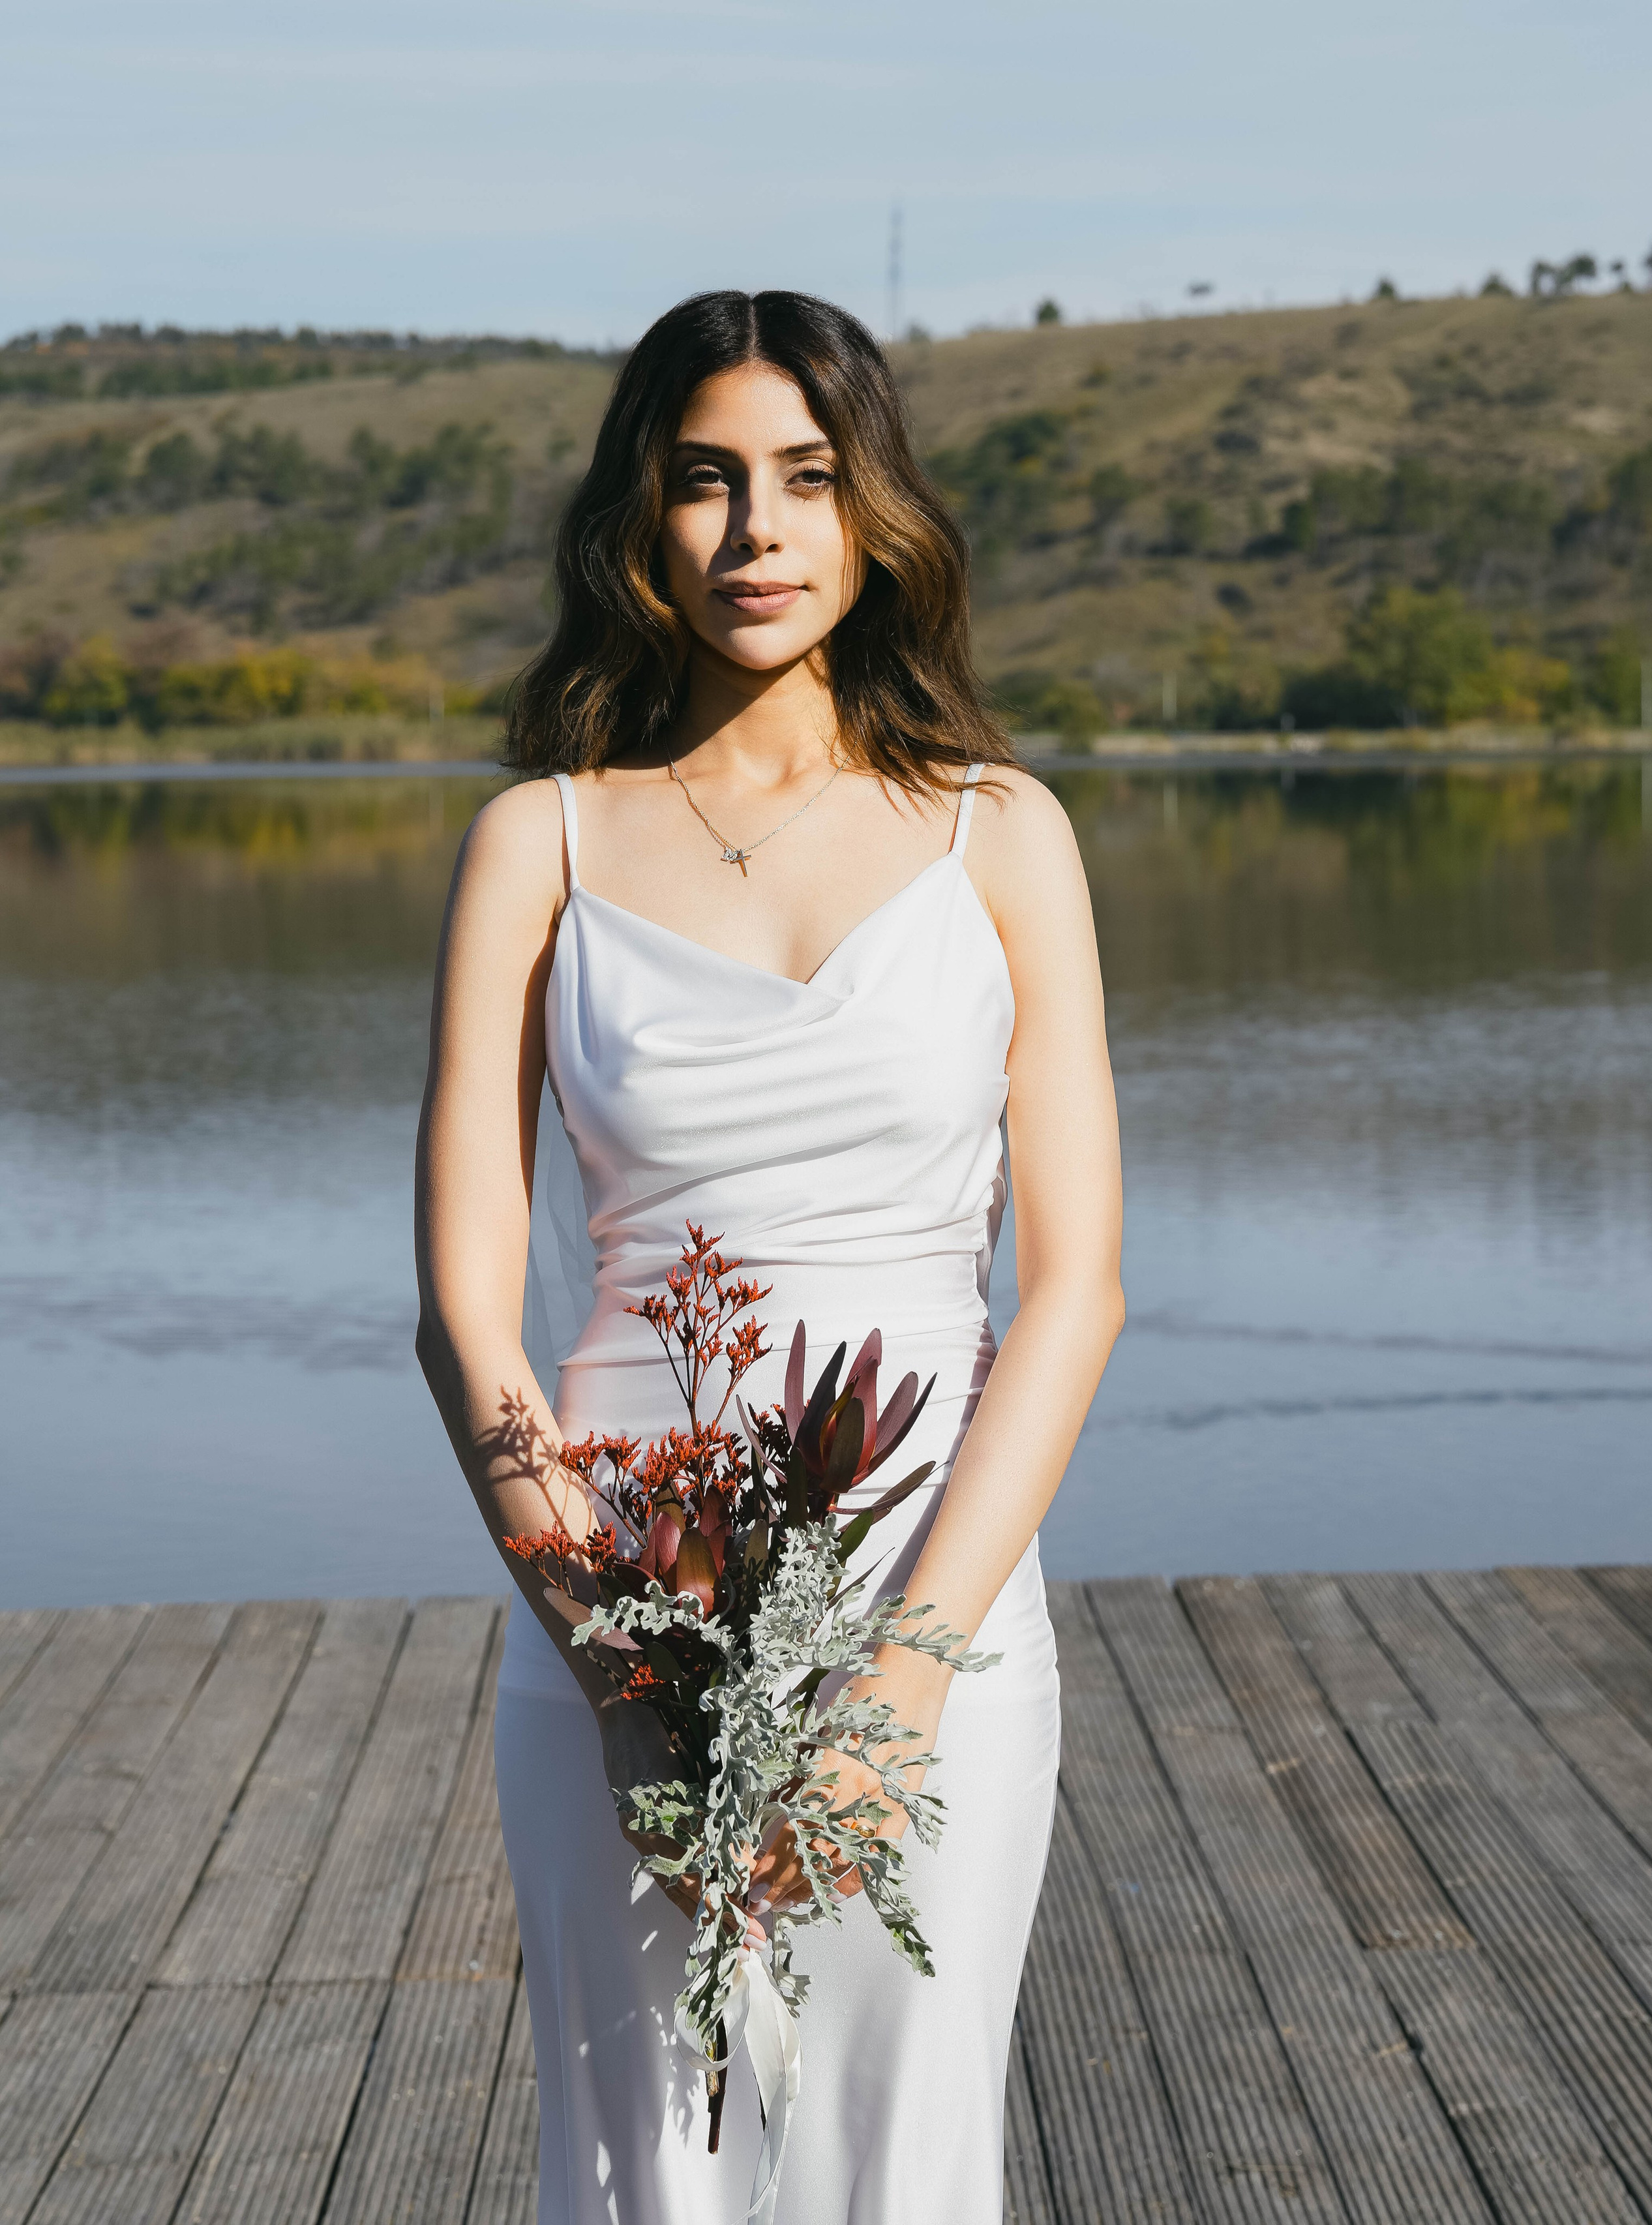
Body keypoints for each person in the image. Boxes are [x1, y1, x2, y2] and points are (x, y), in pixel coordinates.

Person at [415, 288, 1124, 2225]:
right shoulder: (538, 843)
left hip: (936, 1603)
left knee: (903, 2158)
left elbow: (1071, 1289)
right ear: (638, 522)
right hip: (611, 1604)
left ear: (873, 510)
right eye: (706, 482)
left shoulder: (1000, 832)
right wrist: (621, 1670)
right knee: (651, 2165)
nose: (756, 533)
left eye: (806, 480)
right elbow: (469, 1313)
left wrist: (901, 1683)